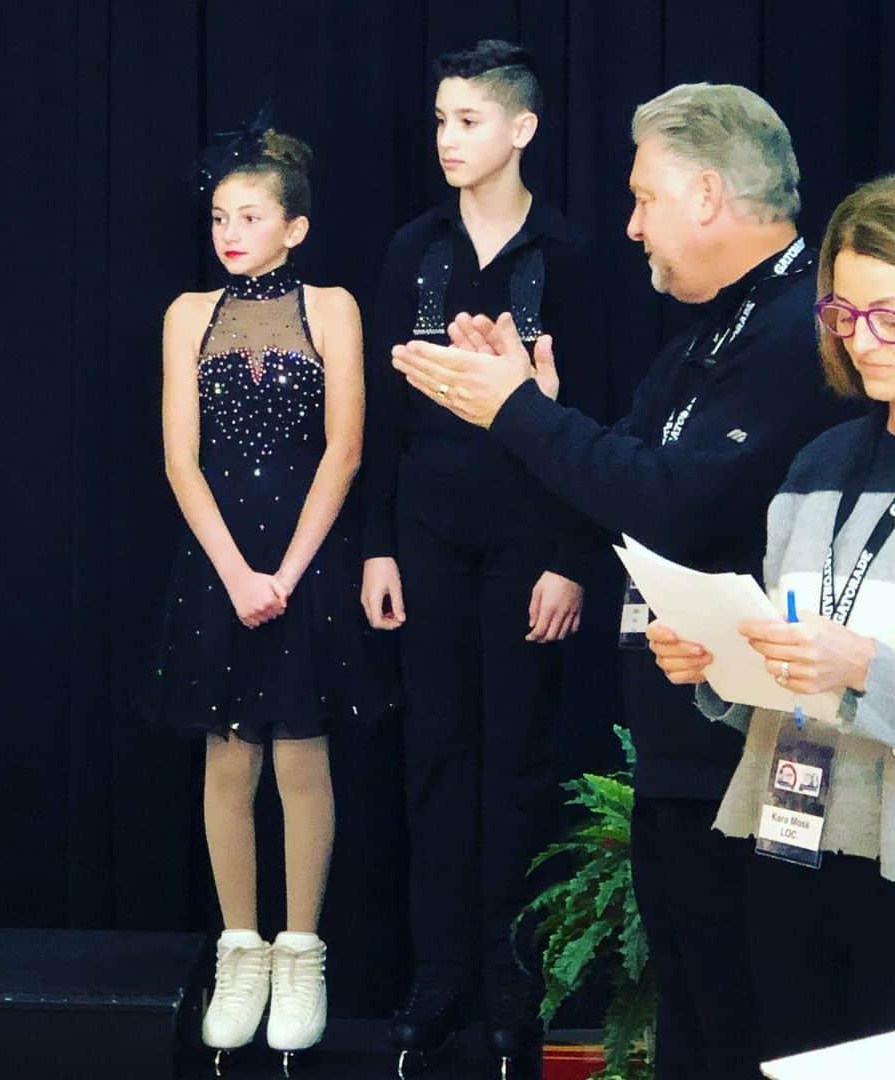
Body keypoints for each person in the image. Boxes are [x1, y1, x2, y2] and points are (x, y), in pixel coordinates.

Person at [390, 83, 862, 1080]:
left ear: (704, 193)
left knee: (760, 1036)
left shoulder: (797, 336)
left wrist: (517, 409)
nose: (632, 223)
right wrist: (540, 405)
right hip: (682, 761)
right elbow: (621, 475)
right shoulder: (707, 333)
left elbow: (677, 501)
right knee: (694, 1030)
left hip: (764, 764)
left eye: (646, 198)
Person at [360, 39, 609, 1075]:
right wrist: (377, 547)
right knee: (434, 760)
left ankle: (516, 994)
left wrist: (570, 558)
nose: (448, 139)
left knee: (518, 764)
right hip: (425, 533)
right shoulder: (411, 249)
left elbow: (599, 420)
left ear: (522, 129)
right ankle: (437, 985)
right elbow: (378, 415)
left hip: (527, 538)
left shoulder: (570, 253)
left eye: (467, 121)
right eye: (439, 121)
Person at [145, 125, 384, 1073]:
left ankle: (302, 954)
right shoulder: (186, 313)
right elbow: (178, 456)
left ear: (295, 226)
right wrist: (238, 573)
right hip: (217, 557)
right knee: (226, 756)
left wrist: (285, 572)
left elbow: (347, 448)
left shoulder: (331, 306)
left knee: (301, 753)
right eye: (219, 217)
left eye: (250, 217)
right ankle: (237, 951)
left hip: (306, 555)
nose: (231, 232)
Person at [647, 174, 895, 1061]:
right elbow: (788, 644)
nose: (863, 342)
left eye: (888, 315)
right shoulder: (821, 459)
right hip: (790, 830)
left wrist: (862, 664)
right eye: (845, 315)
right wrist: (716, 661)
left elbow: (846, 657)